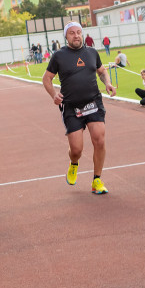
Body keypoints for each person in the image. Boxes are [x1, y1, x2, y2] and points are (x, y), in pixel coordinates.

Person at [43, 21, 116, 194]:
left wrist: (108, 83)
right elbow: (47, 79)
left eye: (78, 32)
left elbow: (102, 71)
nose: (76, 35)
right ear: (66, 37)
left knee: (99, 139)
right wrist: (54, 94)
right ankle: (74, 163)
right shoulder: (59, 56)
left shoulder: (91, 52)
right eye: (72, 33)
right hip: (71, 107)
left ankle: (97, 180)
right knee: (76, 150)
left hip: (93, 103)